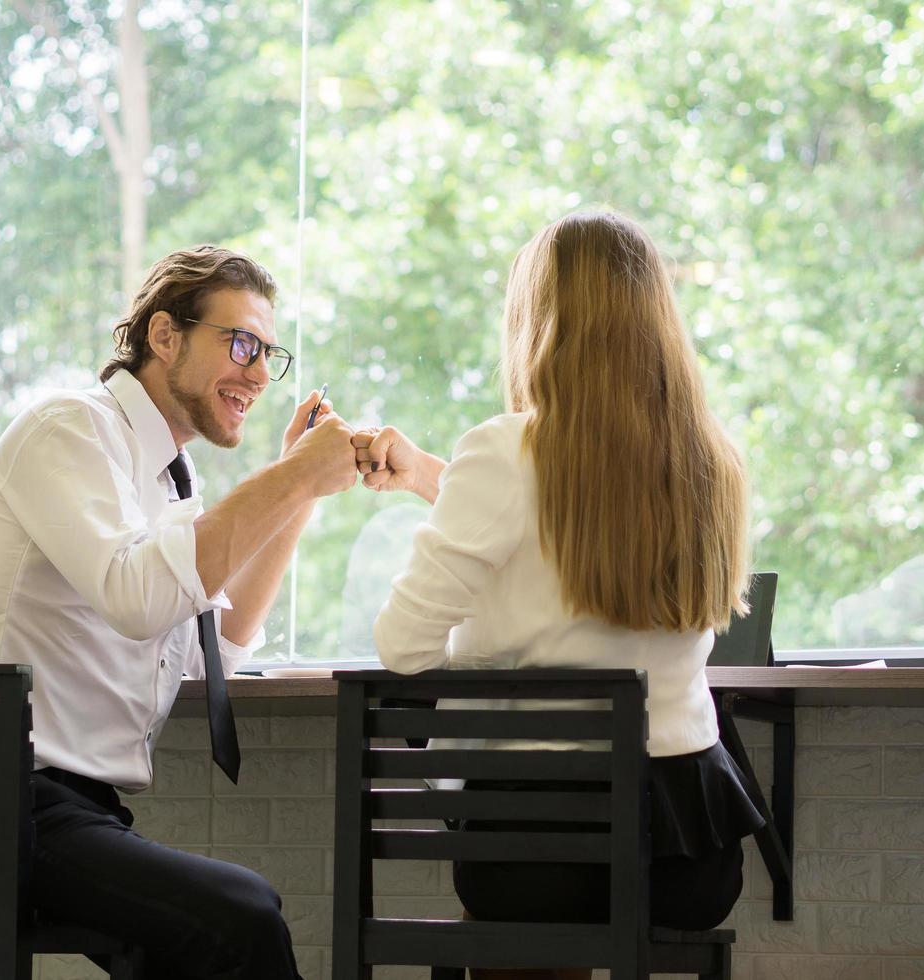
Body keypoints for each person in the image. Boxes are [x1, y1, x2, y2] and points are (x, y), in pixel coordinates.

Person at [0, 245, 357, 979]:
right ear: (164, 336)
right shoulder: (69, 430)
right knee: (240, 918)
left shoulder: (164, 483)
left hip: (70, 811)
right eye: (241, 342)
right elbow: (136, 597)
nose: (256, 372)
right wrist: (290, 476)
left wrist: (299, 492)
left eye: (267, 353)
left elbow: (215, 646)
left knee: (211, 932)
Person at [351, 210, 765, 980]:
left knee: (527, 916)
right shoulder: (711, 460)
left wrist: (484, 643)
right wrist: (433, 481)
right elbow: (576, 522)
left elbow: (401, 647)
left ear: (537, 322)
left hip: (534, 848)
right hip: (689, 856)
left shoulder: (506, 450)